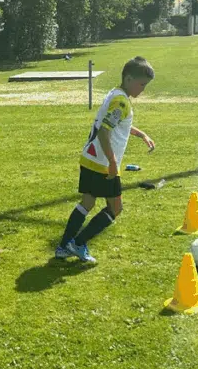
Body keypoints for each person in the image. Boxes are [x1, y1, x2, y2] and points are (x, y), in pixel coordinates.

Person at [55, 56, 155, 264]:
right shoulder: (121, 101)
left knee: (87, 202)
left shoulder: (115, 94)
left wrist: (141, 134)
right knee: (116, 208)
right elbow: (104, 131)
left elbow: (114, 124)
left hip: (90, 158)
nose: (142, 90)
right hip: (103, 164)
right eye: (142, 85)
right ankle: (79, 243)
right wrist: (111, 162)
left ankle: (63, 246)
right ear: (128, 79)